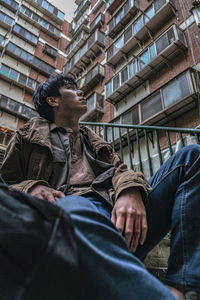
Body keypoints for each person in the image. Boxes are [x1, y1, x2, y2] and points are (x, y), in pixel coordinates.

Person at [1, 73, 200, 300]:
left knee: (192, 157)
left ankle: (185, 288)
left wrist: (129, 191)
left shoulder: (95, 140)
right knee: (74, 204)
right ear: (53, 101)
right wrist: (32, 187)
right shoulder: (26, 136)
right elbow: (7, 184)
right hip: (66, 218)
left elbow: (121, 170)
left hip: (120, 217)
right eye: (70, 88)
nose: (80, 92)